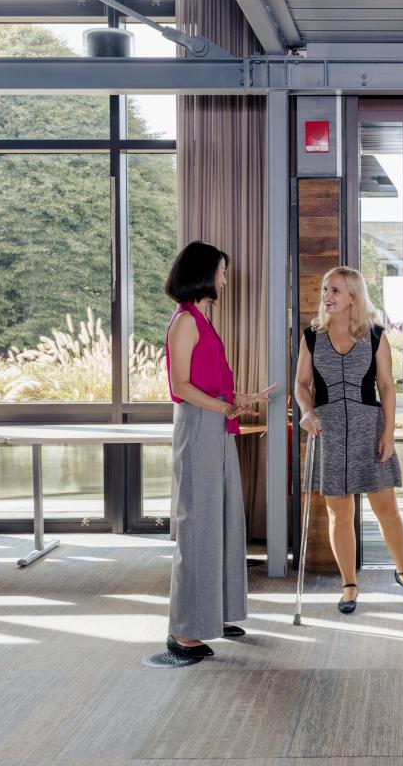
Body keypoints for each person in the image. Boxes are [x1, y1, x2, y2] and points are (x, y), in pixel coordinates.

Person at [163, 241, 277, 658]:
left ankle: (215, 613)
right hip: (198, 428)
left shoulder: (202, 320)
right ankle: (184, 630)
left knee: (225, 519)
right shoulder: (185, 322)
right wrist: (226, 405)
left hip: (216, 425)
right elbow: (181, 387)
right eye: (222, 271)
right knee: (198, 526)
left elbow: (209, 384)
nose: (225, 279)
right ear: (204, 273)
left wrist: (241, 398)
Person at [295, 267, 403, 614]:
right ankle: (349, 585)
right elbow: (301, 384)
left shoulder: (375, 336)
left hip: (368, 428)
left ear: (353, 297)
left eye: (336, 290)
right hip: (329, 431)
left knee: (386, 509)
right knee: (339, 513)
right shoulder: (311, 337)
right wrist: (307, 412)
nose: (327, 295)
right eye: (325, 288)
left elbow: (387, 386)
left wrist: (388, 433)